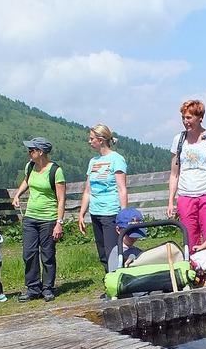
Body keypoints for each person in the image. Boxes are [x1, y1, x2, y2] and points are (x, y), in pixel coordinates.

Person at [11, 137, 66, 302]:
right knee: (29, 253)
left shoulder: (56, 171)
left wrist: (59, 223)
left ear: (40, 152)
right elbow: (26, 181)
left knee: (48, 255)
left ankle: (47, 288)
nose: (29, 153)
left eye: (31, 150)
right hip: (30, 217)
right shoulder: (30, 166)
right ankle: (33, 288)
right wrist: (17, 194)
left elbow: (61, 199)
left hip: (48, 219)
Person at [167, 99, 206, 247]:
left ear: (200, 117)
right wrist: (170, 201)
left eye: (189, 117)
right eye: (183, 117)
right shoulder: (179, 140)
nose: (185, 121)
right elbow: (174, 174)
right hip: (185, 196)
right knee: (189, 240)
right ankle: (192, 269)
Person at [78, 123, 128, 271]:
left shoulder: (116, 159)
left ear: (100, 140)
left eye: (91, 138)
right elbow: (88, 190)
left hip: (110, 212)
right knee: (103, 253)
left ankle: (119, 284)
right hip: (95, 212)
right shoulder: (93, 162)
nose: (89, 141)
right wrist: (82, 213)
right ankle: (109, 281)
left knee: (113, 251)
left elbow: (121, 188)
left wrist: (123, 215)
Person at [106, 207, 147, 272]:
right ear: (118, 230)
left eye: (136, 233)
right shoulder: (116, 252)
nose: (133, 237)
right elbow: (114, 276)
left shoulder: (138, 251)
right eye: (129, 233)